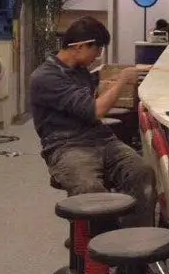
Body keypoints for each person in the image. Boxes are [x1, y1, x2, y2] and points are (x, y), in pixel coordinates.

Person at [30, 16, 155, 227]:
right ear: (79, 47)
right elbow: (96, 110)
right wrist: (123, 80)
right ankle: (101, 241)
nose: (98, 55)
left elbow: (88, 98)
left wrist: (110, 83)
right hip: (66, 146)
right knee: (90, 190)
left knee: (142, 172)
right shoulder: (46, 77)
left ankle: (134, 236)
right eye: (97, 49)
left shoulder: (79, 70)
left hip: (101, 139)